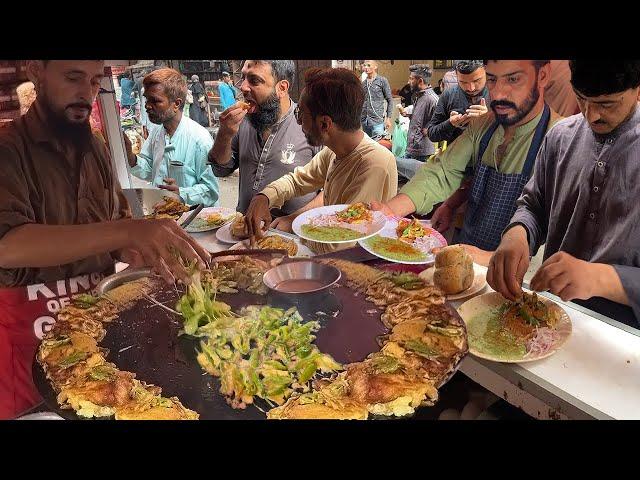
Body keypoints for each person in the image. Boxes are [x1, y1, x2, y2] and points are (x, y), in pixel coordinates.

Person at [0, 60, 210, 419]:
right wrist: (129, 231)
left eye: (95, 81)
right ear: (36, 71)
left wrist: (145, 252)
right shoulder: (8, 149)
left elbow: (111, 233)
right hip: (28, 337)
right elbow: (7, 245)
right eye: (73, 77)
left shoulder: (96, 147)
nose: (87, 93)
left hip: (97, 323)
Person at [488, 60, 640, 326]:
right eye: (582, 99)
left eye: (607, 104)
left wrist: (601, 278)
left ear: (637, 90)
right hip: (548, 318)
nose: (591, 115)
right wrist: (518, 233)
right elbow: (534, 206)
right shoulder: (560, 137)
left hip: (623, 340)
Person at [371, 60, 562, 258]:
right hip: (468, 244)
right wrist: (389, 210)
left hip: (521, 271)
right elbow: (444, 171)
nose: (498, 94)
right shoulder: (485, 125)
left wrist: (495, 259)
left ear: (543, 75)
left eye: (513, 79)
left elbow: (544, 217)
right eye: (492, 80)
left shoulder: (561, 139)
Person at [244, 67, 398, 254]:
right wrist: (265, 197)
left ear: (325, 124)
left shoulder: (373, 164)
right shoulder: (334, 152)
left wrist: (288, 235)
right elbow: (297, 181)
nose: (299, 123)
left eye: (301, 114)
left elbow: (341, 242)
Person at [208, 60, 322, 216]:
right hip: (243, 230)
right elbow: (220, 170)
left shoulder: (309, 125)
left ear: (282, 88)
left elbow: (331, 190)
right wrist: (224, 134)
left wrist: (291, 221)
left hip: (290, 235)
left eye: (254, 80)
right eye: (243, 77)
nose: (243, 87)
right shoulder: (242, 121)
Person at [124, 68, 219, 207]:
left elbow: (211, 191)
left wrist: (181, 193)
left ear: (176, 104)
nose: (147, 106)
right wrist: (130, 157)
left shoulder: (200, 140)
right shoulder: (157, 133)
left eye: (155, 101)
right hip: (163, 217)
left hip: (193, 223)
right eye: (147, 100)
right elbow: (150, 170)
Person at [427, 60, 490, 145]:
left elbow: (512, 137)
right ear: (456, 76)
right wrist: (450, 123)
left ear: (486, 71)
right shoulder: (449, 94)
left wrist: (490, 119)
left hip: (490, 157)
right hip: (455, 156)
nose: (471, 88)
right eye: (463, 82)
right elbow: (432, 134)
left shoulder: (498, 94)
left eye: (476, 81)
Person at [396, 64, 440, 181]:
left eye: (411, 78)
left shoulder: (432, 99)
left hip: (422, 151)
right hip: (412, 147)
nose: (408, 81)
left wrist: (429, 129)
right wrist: (409, 115)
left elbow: (440, 121)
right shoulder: (418, 96)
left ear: (420, 80)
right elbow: (421, 118)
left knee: (418, 187)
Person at [360, 60, 394, 137]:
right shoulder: (363, 83)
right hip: (365, 121)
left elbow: (390, 100)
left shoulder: (382, 81)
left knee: (379, 145)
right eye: (365, 65)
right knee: (368, 146)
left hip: (377, 121)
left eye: (368, 65)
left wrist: (388, 118)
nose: (366, 67)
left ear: (375, 67)